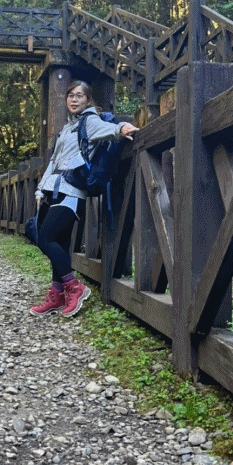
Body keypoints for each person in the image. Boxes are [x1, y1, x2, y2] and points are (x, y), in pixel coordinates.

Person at [30, 80, 138, 318]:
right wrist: (39, 190)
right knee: (59, 243)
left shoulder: (89, 121)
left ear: (88, 100)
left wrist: (122, 128)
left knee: (45, 238)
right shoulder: (67, 128)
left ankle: (73, 287)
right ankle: (57, 294)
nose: (74, 99)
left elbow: (109, 129)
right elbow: (53, 162)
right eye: (71, 95)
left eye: (79, 96)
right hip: (52, 189)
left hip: (71, 191)